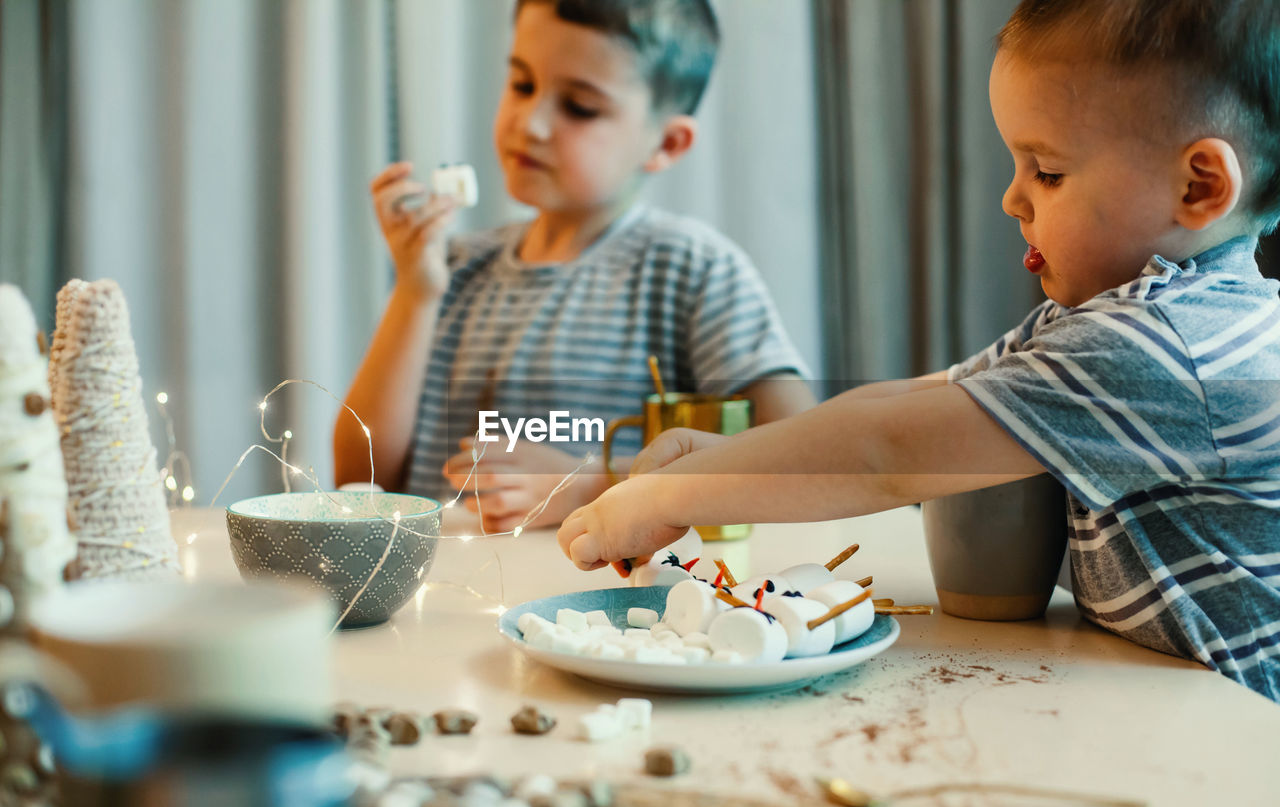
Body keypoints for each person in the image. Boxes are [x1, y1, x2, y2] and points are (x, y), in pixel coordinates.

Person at [559, 0, 1280, 700]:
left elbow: (890, 450)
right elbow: (914, 401)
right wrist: (715, 458)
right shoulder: (1118, 316)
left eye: (1048, 172)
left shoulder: (1163, 345)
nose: (1013, 199)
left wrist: (669, 496)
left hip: (1243, 726)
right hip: (1176, 700)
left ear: (1200, 184)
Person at [334, 0, 813, 532]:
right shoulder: (453, 268)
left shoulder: (694, 270)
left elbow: (799, 456)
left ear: (666, 143)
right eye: (521, 85)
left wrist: (594, 484)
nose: (531, 123)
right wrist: (415, 292)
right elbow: (360, 476)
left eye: (580, 107)